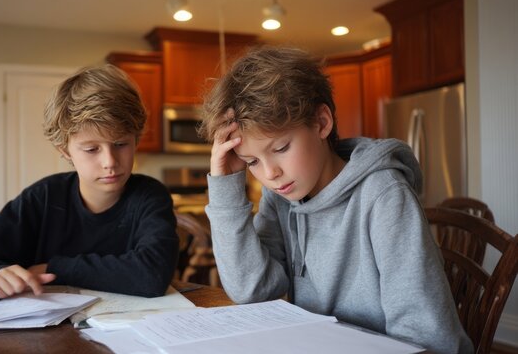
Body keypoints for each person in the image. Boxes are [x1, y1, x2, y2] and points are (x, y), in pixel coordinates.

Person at [197, 46, 473, 354]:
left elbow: (425, 335)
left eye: (281, 148)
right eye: (252, 162)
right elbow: (252, 290)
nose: (270, 173)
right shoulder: (282, 196)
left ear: (321, 123)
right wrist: (225, 186)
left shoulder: (384, 196)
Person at [0, 64, 179, 299]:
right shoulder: (44, 197)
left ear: (136, 140)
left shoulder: (150, 196)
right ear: (65, 151)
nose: (110, 161)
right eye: (91, 149)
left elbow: (152, 275)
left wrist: (54, 268)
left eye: (121, 144)